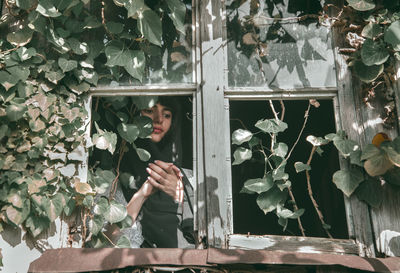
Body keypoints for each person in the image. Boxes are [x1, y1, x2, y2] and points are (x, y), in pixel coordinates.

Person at [110, 97, 195, 248]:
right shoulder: (115, 173)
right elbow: (110, 239)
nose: (159, 120)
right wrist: (143, 194)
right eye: (149, 111)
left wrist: (182, 196)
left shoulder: (188, 176)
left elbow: (207, 237)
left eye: (167, 114)